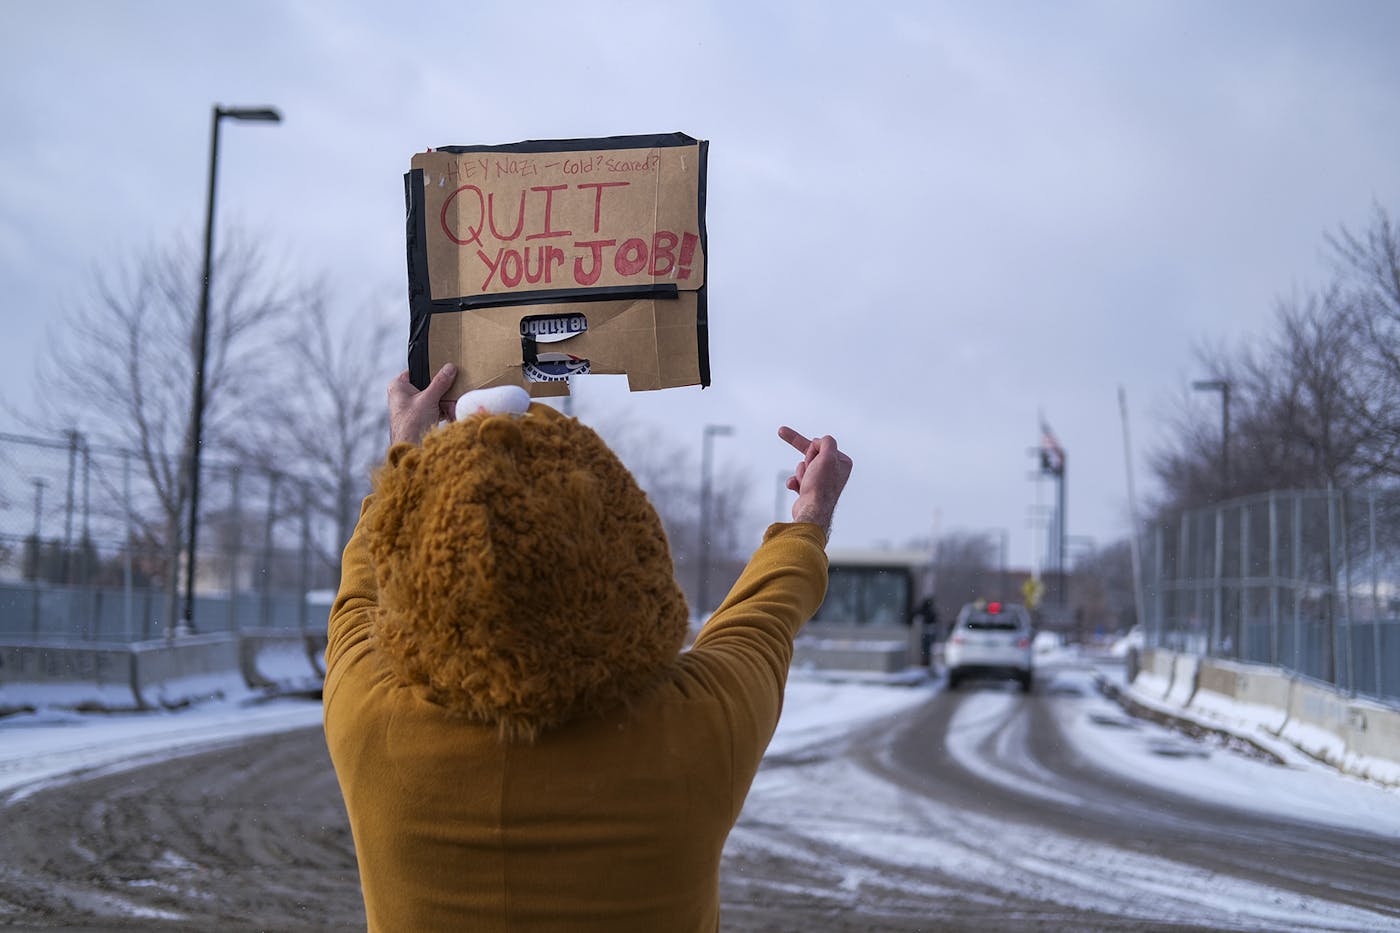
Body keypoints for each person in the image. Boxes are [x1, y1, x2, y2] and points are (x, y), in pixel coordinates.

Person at [323, 363, 852, 932]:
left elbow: (364, 582)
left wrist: (407, 452)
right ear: (624, 545)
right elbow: (761, 619)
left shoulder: (366, 717)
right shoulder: (697, 726)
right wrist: (810, 517)